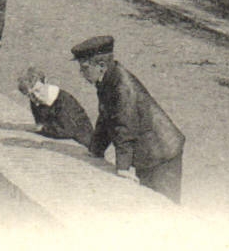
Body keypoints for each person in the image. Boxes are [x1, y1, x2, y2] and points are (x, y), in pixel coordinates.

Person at [73, 35, 186, 203]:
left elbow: (125, 126)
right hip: (150, 153)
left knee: (164, 204)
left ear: (101, 66)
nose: (82, 74)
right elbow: (106, 117)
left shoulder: (122, 87)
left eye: (85, 68)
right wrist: (95, 150)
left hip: (162, 154)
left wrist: (123, 168)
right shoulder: (108, 79)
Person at [17, 66, 93, 146]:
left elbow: (68, 131)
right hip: (59, 135)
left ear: (45, 82)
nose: (36, 96)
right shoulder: (36, 101)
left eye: (38, 90)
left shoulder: (63, 101)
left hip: (82, 141)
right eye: (30, 95)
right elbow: (40, 123)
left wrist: (43, 129)